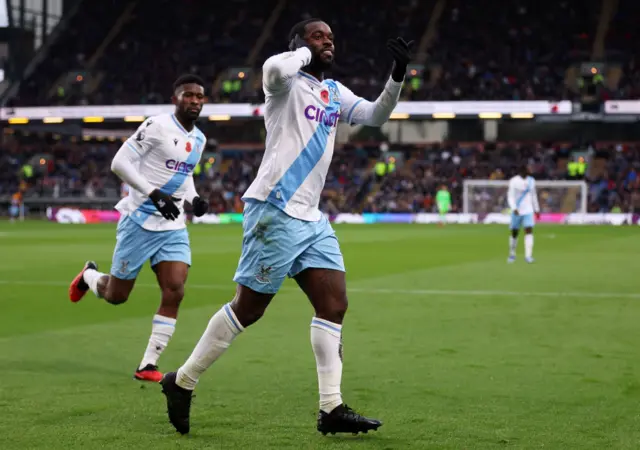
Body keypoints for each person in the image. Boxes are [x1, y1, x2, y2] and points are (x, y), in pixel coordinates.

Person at [160, 19, 413, 436]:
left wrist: (397, 75)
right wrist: (304, 54)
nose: (327, 41)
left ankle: (330, 408)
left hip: (311, 218)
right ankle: (181, 381)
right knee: (249, 309)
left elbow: (375, 115)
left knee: (334, 306)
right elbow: (273, 70)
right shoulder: (285, 83)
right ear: (298, 43)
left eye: (331, 36)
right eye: (318, 36)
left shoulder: (334, 93)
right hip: (274, 210)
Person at [67, 74, 210, 382]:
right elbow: (119, 163)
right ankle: (90, 275)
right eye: (189, 95)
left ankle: (148, 364)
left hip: (172, 224)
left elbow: (185, 173)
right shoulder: (156, 126)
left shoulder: (199, 139)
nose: (195, 101)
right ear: (176, 99)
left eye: (200, 96)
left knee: (175, 289)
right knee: (117, 296)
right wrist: (154, 194)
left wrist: (194, 198)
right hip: (139, 221)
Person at [507, 165, 540, 263]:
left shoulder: (531, 180)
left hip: (528, 210)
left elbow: (533, 195)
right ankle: (512, 254)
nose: (530, 170)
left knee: (529, 230)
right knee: (514, 232)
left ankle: (528, 256)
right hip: (516, 210)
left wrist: (537, 209)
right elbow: (510, 196)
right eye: (528, 169)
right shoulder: (514, 181)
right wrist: (514, 208)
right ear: (522, 170)